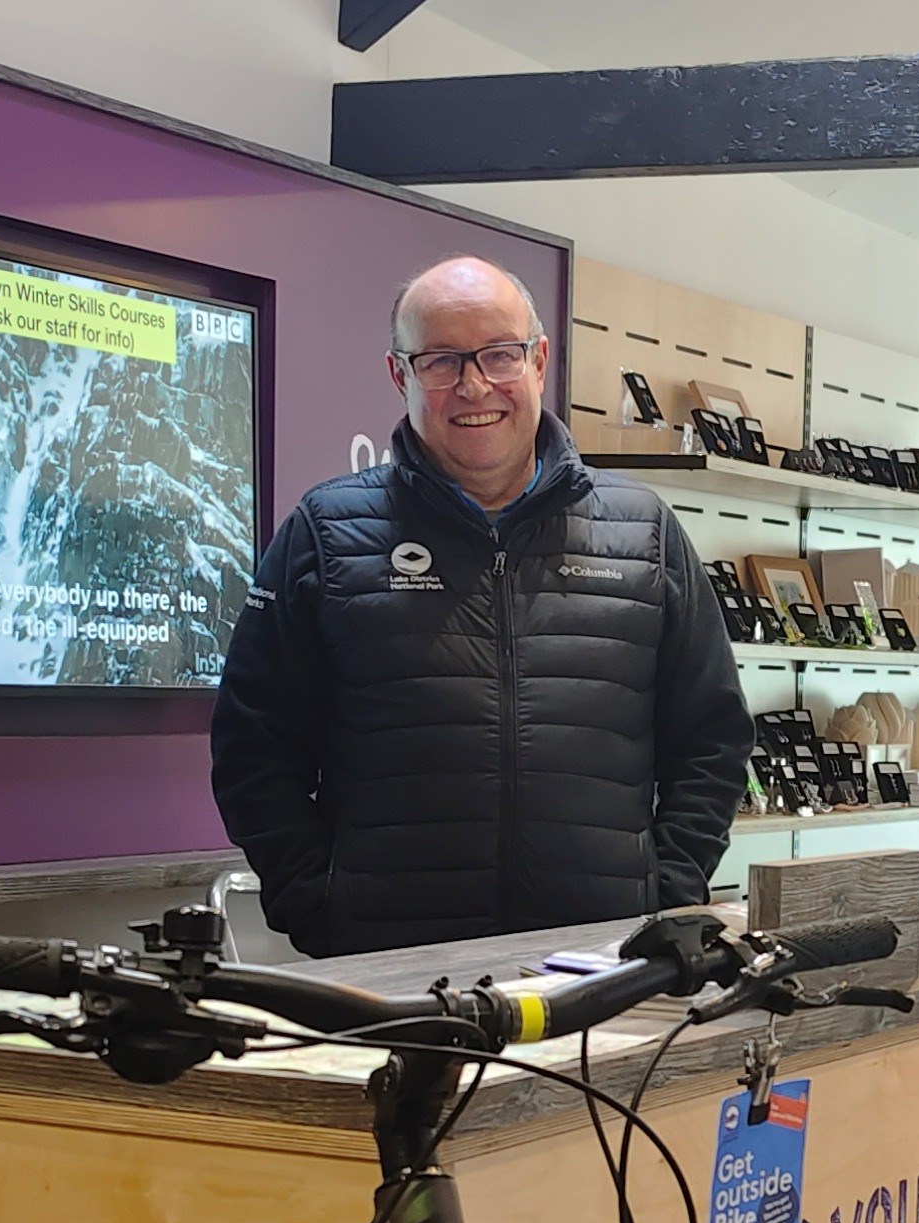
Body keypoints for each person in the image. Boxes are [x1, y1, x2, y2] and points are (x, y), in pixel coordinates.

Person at [211, 255, 753, 958]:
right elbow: (254, 746)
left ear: (539, 362)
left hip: (599, 962)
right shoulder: (326, 531)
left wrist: (667, 892)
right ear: (399, 373)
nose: (474, 386)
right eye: (440, 360)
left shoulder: (643, 533)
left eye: (499, 355)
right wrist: (317, 901)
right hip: (388, 967)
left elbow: (711, 739)